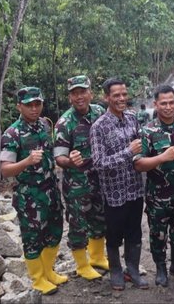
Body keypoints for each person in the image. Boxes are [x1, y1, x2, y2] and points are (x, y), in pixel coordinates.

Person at [0, 87, 66, 295]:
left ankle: (49, 271)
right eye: (29, 105)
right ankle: (37, 279)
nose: (34, 108)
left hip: (51, 190)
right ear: (19, 106)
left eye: (37, 103)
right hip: (29, 197)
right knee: (32, 238)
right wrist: (27, 161)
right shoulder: (12, 133)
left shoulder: (45, 125)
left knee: (55, 231)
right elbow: (5, 169)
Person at [90, 78, 148, 291]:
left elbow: (141, 148)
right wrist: (127, 152)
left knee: (135, 232)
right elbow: (99, 163)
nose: (122, 98)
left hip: (134, 188)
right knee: (114, 234)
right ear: (107, 97)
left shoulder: (133, 119)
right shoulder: (99, 127)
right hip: (113, 193)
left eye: (124, 94)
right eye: (116, 95)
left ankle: (132, 269)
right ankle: (115, 269)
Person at [134, 85, 174, 287]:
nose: (168, 107)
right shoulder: (147, 131)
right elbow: (139, 164)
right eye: (163, 103)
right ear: (155, 104)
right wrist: (161, 157)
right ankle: (161, 269)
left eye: (171, 102)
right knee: (158, 234)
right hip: (157, 197)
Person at [54, 75, 108, 281]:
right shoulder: (64, 123)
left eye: (83, 91)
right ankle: (82, 265)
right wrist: (70, 160)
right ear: (69, 97)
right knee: (78, 224)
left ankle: (97, 257)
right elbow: (59, 158)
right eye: (74, 93)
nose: (79, 97)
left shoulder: (100, 112)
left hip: (100, 180)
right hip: (77, 184)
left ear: (90, 93)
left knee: (100, 219)